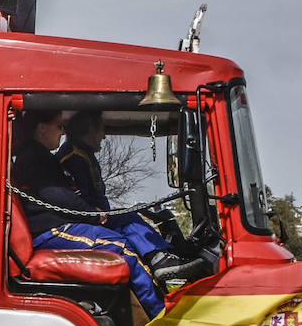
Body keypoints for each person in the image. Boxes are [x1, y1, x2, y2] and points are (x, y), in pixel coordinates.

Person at [11, 109, 165, 318]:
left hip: (57, 226)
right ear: (41, 128)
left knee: (123, 230)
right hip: (50, 231)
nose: (61, 132)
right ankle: (161, 316)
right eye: (58, 126)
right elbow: (56, 194)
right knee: (121, 248)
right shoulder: (33, 157)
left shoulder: (39, 156)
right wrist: (91, 213)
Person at [57, 110, 207, 283]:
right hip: (82, 223)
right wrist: (94, 213)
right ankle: (159, 258)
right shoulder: (72, 158)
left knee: (130, 215)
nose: (104, 137)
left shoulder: (82, 155)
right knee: (127, 219)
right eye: (101, 131)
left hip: (92, 218)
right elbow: (72, 198)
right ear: (89, 131)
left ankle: (166, 255)